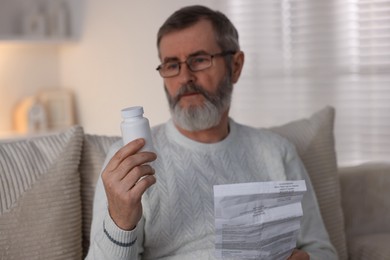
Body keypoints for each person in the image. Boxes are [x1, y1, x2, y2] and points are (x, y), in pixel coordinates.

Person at [86, 5, 337, 260]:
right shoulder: (130, 161)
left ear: (236, 66)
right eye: (172, 65)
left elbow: (322, 250)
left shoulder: (276, 152)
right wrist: (120, 221)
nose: (185, 77)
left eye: (199, 60)